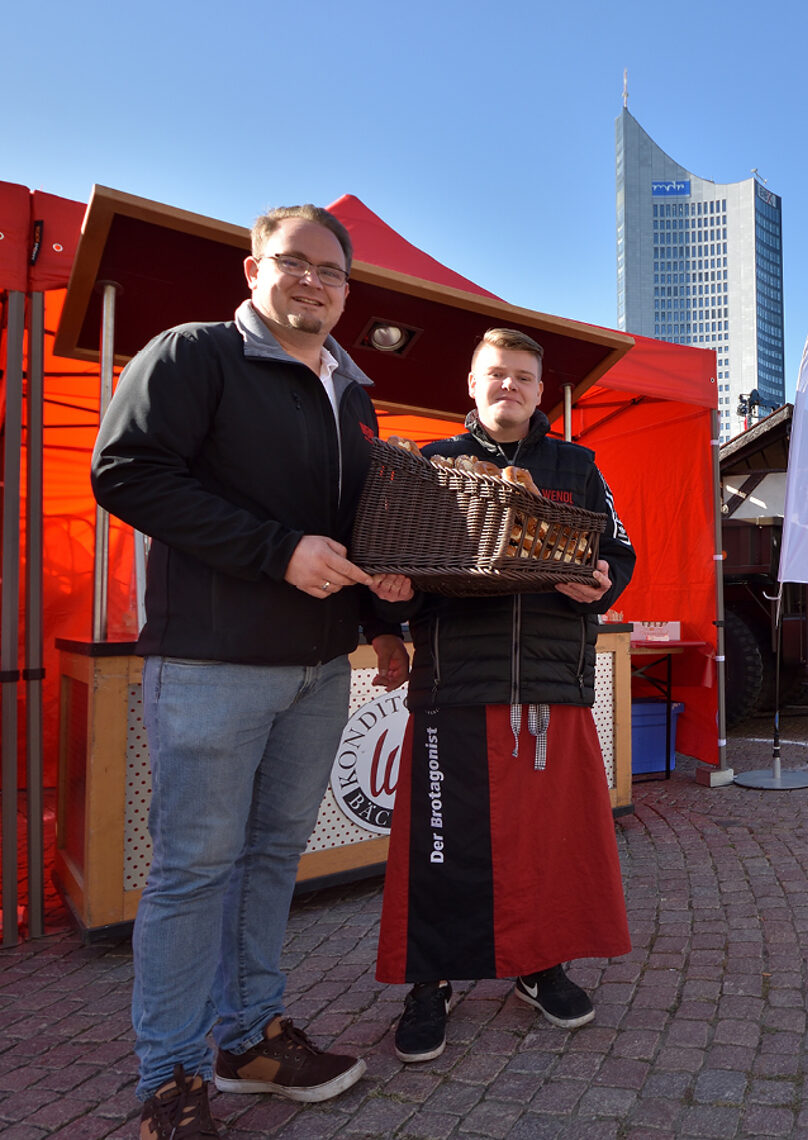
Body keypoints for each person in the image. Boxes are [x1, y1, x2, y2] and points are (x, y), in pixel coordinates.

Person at [91, 205, 413, 1139]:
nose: (313, 282)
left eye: (332, 272)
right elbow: (128, 473)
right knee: (195, 870)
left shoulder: (354, 392)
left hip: (321, 668)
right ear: (253, 269)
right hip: (212, 662)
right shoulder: (193, 353)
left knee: (274, 858)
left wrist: (384, 613)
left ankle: (248, 1038)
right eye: (294, 263)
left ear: (348, 292)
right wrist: (276, 552)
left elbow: (358, 527)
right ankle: (172, 1077)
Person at [375, 328, 636, 1064]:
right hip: (454, 686)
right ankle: (430, 982)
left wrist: (603, 583)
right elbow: (386, 556)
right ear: (471, 381)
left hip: (551, 685)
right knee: (437, 851)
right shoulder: (432, 465)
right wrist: (389, 600)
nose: (509, 387)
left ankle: (538, 964)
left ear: (540, 389)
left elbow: (617, 550)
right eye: (496, 373)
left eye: (523, 376)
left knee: (547, 847)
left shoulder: (576, 467)